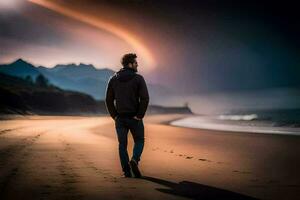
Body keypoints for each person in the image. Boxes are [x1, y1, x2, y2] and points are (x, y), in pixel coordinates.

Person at [105, 53, 149, 178]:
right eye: (136, 63)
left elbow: (108, 100)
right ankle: (134, 160)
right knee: (139, 140)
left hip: (120, 118)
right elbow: (145, 98)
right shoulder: (138, 78)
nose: (137, 65)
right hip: (135, 118)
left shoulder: (113, 79)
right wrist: (140, 115)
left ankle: (126, 172)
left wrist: (115, 116)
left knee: (122, 145)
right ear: (130, 64)